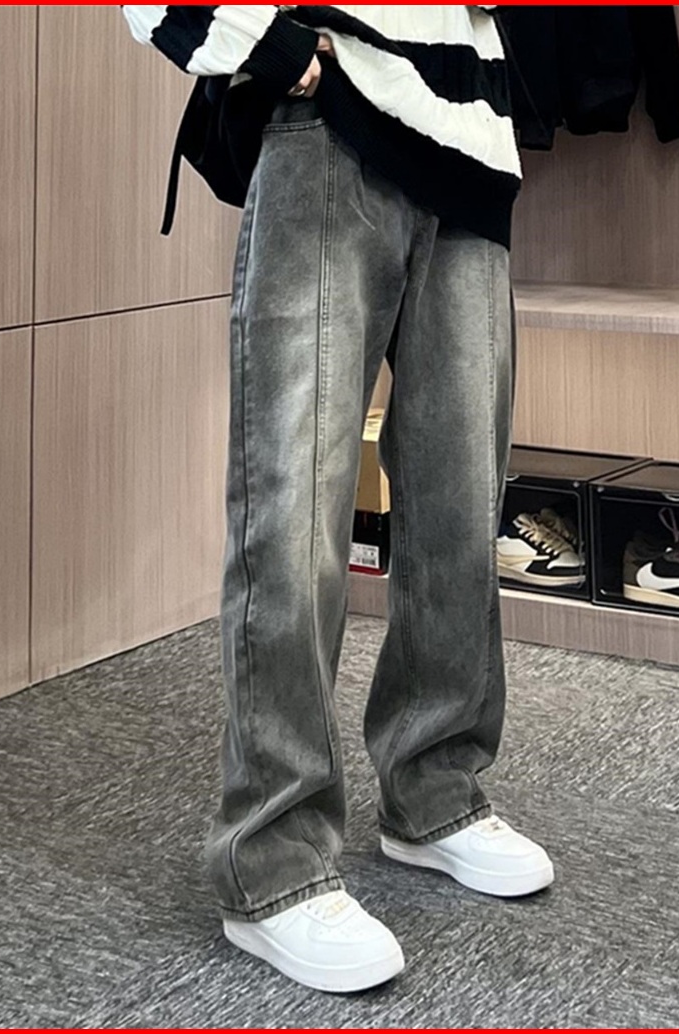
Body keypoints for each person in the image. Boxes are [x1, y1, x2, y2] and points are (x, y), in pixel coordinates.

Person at [122, 4, 554, 994]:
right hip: (330, 121)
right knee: (294, 503)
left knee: (458, 500)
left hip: (472, 138)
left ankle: (435, 790)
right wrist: (272, 50)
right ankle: (272, 860)